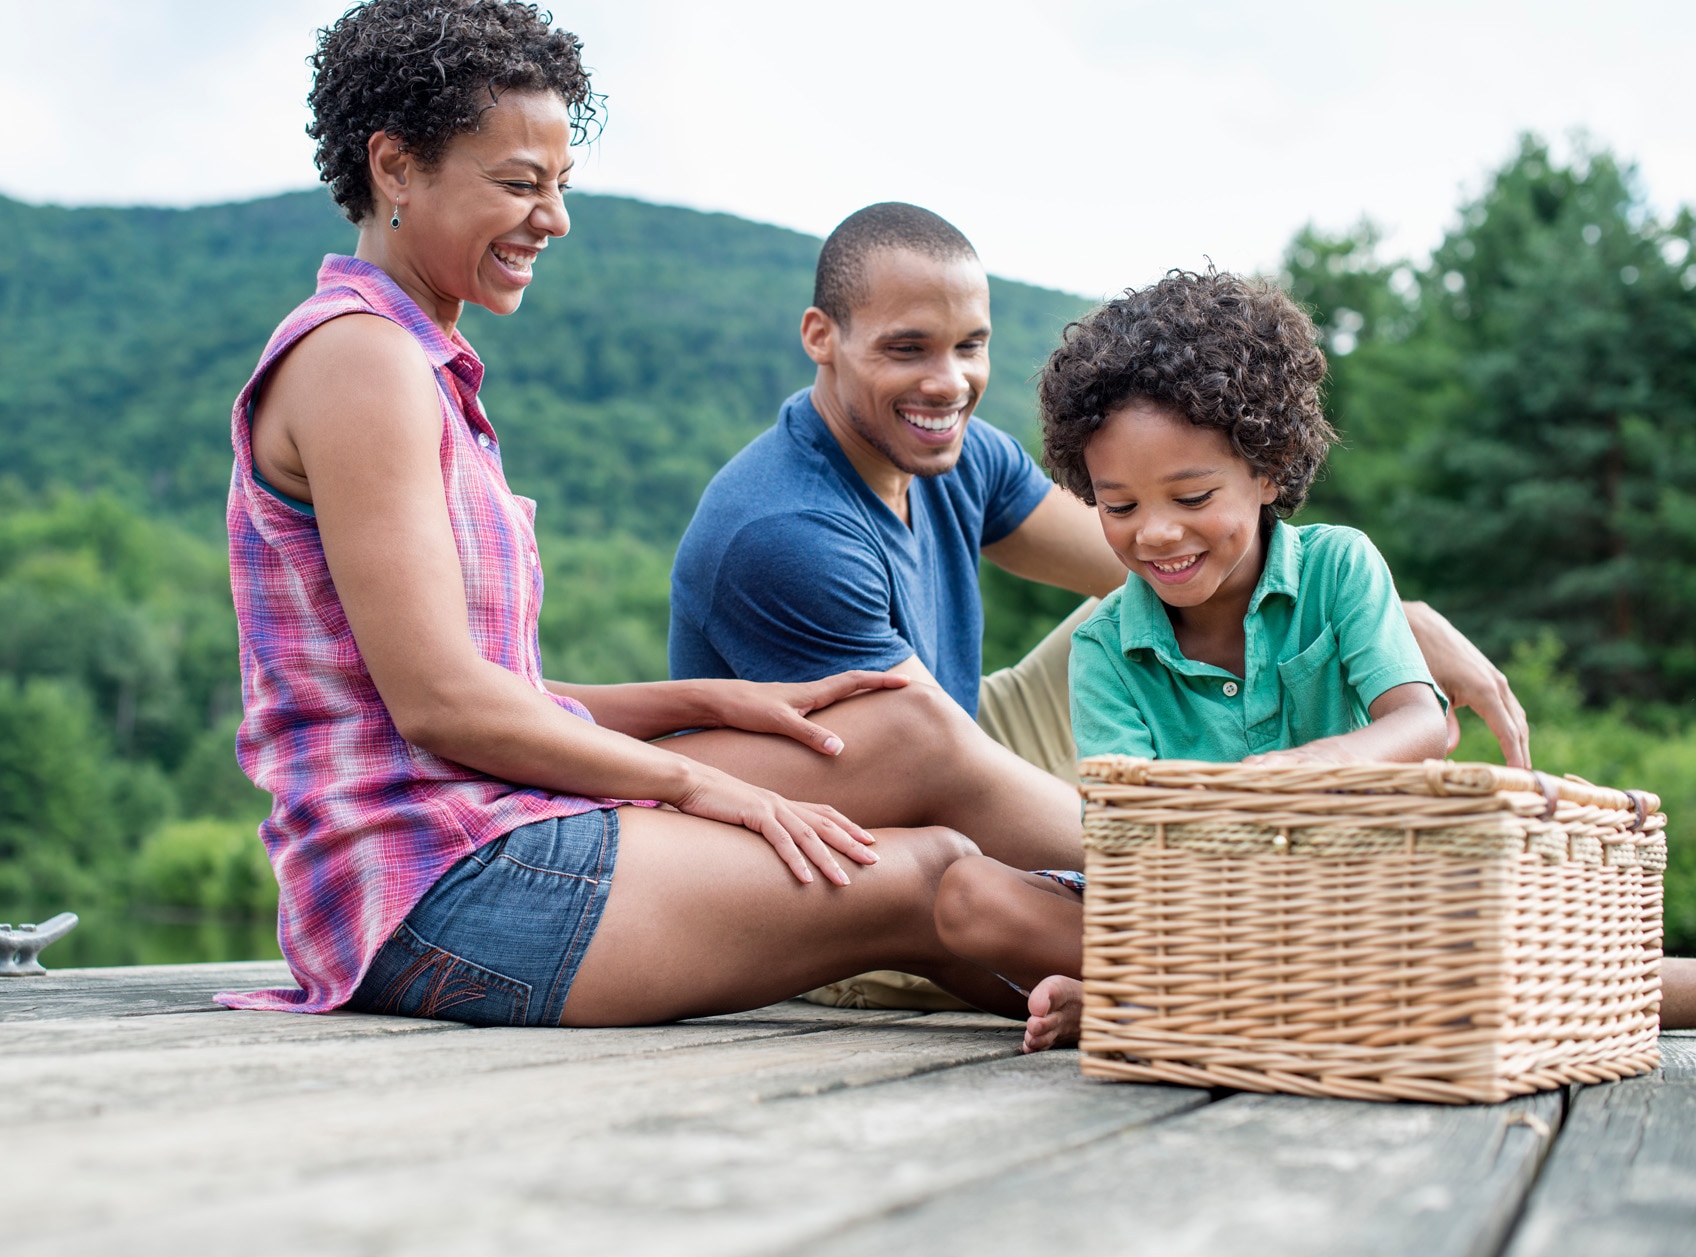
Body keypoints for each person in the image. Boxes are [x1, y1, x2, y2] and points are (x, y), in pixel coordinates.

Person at [214, 0, 1093, 1035]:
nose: (554, 218)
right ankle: (1244, 953)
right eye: (517, 185)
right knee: (929, 870)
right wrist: (697, 781)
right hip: (439, 890)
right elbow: (443, 709)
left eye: (559, 186)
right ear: (396, 168)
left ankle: (1190, 926)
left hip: (498, 820)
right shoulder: (360, 360)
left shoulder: (416, 364)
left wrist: (707, 699)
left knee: (901, 726)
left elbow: (489, 688)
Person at [668, 202, 1531, 1009]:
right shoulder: (784, 532)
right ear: (821, 337)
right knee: (970, 815)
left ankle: (1224, 911)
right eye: (908, 349)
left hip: (966, 741)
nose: (948, 382)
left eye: (970, 345)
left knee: (1153, 586)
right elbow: (917, 768)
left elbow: (1165, 551)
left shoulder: (956, 453)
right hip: (845, 839)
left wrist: (1386, 622)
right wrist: (1221, 840)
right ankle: (1252, 926)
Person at [932, 269, 1696, 1050]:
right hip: (1192, 908)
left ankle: (1156, 1004)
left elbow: (1422, 721)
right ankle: (1235, 998)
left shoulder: (1341, 568)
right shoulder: (1103, 645)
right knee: (968, 898)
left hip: (1363, 894)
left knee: (1549, 954)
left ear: (1266, 471)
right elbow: (1124, 831)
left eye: (1192, 498)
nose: (1155, 533)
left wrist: (1309, 769)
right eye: (1120, 506)